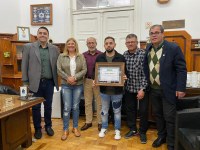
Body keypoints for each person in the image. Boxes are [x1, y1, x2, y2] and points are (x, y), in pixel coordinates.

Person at [143, 25, 187, 150]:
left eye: (157, 32)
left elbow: (181, 69)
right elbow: (147, 68)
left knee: (170, 117)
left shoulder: (173, 48)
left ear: (163, 34)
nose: (154, 35)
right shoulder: (148, 48)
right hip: (154, 90)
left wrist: (181, 88)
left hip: (169, 90)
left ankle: (171, 142)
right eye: (151, 33)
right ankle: (161, 136)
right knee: (158, 115)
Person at [21, 26, 60, 139]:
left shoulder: (54, 49)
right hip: (34, 83)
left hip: (49, 83)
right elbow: (24, 66)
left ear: (48, 35)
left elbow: (58, 65)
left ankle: (48, 126)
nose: (43, 35)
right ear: (37, 35)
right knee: (36, 108)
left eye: (45, 33)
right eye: (40, 33)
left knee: (48, 106)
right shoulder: (28, 47)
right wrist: (25, 82)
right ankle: (37, 128)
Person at [96, 36, 126, 140]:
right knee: (104, 110)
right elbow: (95, 72)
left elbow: (125, 73)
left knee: (117, 111)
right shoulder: (99, 58)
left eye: (111, 43)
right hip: (104, 91)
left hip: (117, 91)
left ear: (114, 44)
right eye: (106, 43)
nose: (109, 45)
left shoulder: (121, 57)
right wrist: (96, 79)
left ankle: (117, 130)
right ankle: (104, 128)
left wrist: (125, 77)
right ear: (104, 45)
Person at [57, 37, 87, 141]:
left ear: (75, 45)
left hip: (78, 84)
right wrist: (68, 78)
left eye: (72, 43)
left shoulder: (81, 56)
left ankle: (75, 127)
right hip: (66, 85)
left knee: (75, 107)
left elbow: (84, 69)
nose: (71, 45)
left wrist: (75, 77)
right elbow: (59, 70)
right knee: (66, 107)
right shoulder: (61, 56)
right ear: (66, 45)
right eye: (69, 43)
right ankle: (65, 129)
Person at [123, 34, 148, 144]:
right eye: (128, 42)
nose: (130, 44)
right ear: (125, 43)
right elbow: (123, 71)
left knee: (143, 111)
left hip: (141, 88)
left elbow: (146, 74)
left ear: (137, 42)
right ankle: (133, 129)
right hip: (129, 88)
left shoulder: (143, 54)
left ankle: (142, 132)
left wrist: (142, 89)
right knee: (130, 110)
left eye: (132, 42)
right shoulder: (124, 55)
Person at [81, 37, 102, 131]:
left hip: (98, 81)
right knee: (88, 102)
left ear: (96, 43)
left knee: (99, 103)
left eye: (93, 42)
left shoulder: (101, 55)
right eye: (89, 43)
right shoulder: (83, 55)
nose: (91, 44)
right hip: (87, 81)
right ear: (87, 45)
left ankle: (100, 122)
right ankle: (88, 122)